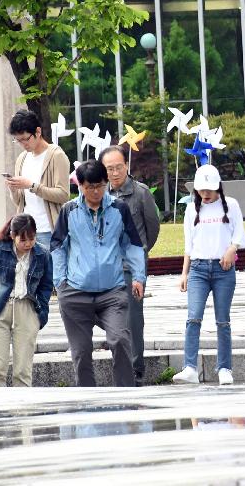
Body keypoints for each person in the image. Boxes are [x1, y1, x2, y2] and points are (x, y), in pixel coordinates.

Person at [50, 160, 146, 387]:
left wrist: (139, 277)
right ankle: (87, 403)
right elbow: (57, 247)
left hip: (112, 291)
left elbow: (132, 245)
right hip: (75, 292)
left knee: (120, 340)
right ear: (80, 186)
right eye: (89, 186)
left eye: (100, 185)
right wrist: (60, 283)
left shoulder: (118, 208)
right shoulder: (69, 210)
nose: (95, 191)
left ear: (106, 183)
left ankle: (124, 395)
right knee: (81, 352)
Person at [173, 165, 245, 385]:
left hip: (223, 270)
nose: (205, 194)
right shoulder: (191, 210)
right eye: (201, 190)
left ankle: (224, 368)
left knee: (222, 320)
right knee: (193, 318)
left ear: (217, 188)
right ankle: (190, 367)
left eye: (209, 189)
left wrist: (231, 250)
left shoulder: (231, 205)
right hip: (198, 268)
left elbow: (238, 235)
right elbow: (189, 244)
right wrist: (184, 273)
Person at [100, 145, 161, 386]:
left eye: (118, 167)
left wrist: (140, 255)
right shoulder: (99, 193)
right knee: (110, 318)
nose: (114, 173)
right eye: (109, 169)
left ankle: (136, 368)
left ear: (126, 165)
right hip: (104, 268)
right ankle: (119, 363)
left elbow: (152, 229)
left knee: (133, 318)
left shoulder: (140, 193)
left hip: (131, 267)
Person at [0, 214, 52, 387]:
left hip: (27, 308)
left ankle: (23, 412)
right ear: (12, 235)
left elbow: (46, 286)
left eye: (32, 238)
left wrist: (40, 314)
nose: (28, 244)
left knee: (23, 373)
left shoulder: (43, 254)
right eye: (23, 239)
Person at [7, 110, 71, 249]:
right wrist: (13, 189)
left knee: (52, 270)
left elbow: (63, 195)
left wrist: (32, 186)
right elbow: (19, 201)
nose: (23, 144)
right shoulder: (22, 159)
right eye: (18, 140)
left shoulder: (56, 155)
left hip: (50, 230)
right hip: (26, 232)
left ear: (38, 131)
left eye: (26, 138)